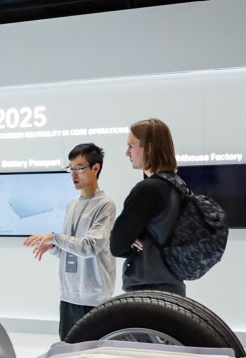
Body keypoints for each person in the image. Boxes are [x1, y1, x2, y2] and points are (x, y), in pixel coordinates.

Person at [24, 143, 117, 340]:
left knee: (92, 356)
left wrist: (55, 237)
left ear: (95, 168)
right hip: (68, 294)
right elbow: (70, 248)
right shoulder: (71, 204)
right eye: (71, 168)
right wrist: (53, 247)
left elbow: (90, 247)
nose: (73, 174)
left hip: (93, 296)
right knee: (67, 351)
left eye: (79, 168)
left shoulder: (105, 204)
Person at [109, 118, 185, 295]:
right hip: (174, 286)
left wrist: (130, 237)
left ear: (149, 148)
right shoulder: (178, 185)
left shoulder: (147, 189)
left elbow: (117, 245)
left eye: (131, 146)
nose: (127, 153)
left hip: (146, 290)